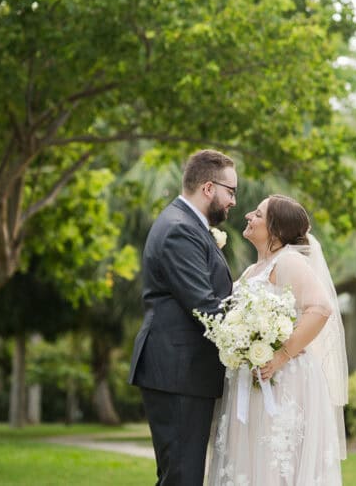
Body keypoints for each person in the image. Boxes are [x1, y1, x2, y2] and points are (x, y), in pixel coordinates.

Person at [206, 194, 348, 486]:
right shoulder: (250, 272)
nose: (248, 216)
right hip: (250, 379)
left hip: (283, 380)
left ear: (275, 228)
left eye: (257, 214)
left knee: (275, 460)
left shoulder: (290, 262)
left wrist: (281, 354)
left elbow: (320, 308)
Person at [129, 149, 238, 485]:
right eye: (230, 191)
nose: (233, 201)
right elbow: (204, 306)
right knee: (182, 477)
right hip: (177, 370)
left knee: (182, 474)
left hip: (184, 371)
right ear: (209, 188)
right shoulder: (179, 229)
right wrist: (251, 339)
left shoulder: (187, 224)